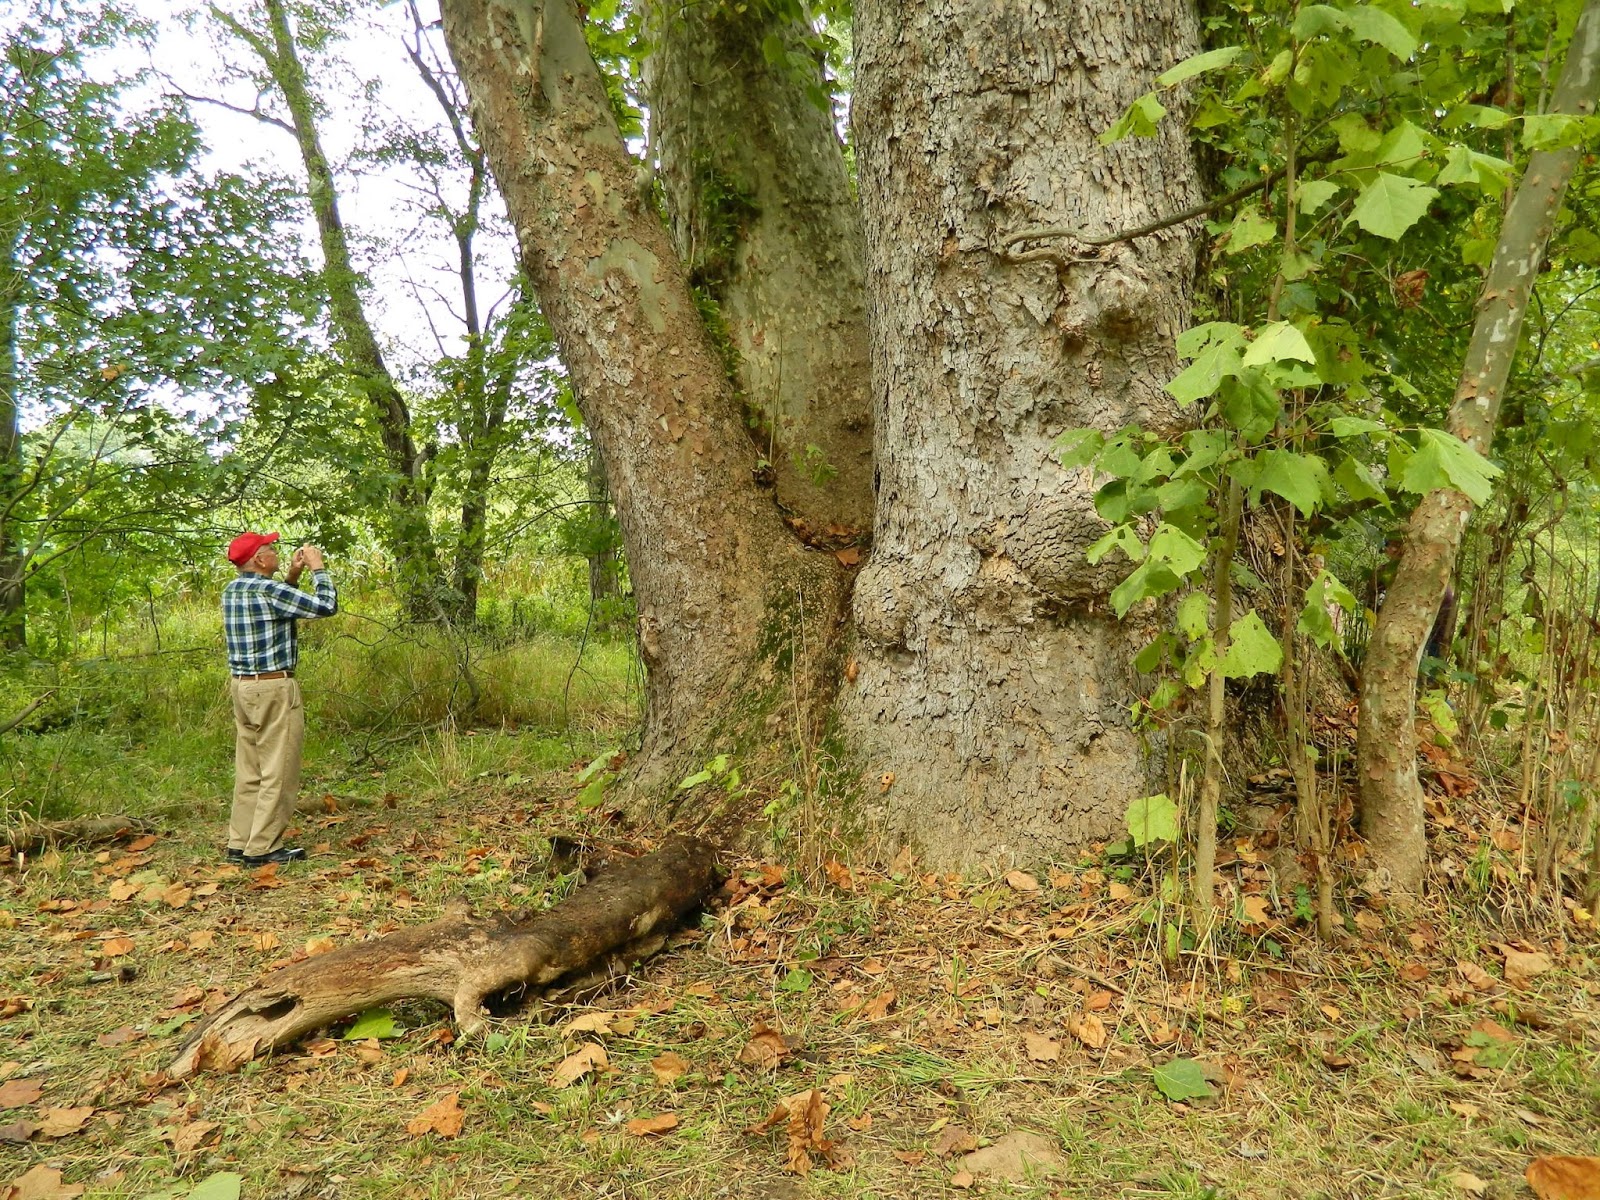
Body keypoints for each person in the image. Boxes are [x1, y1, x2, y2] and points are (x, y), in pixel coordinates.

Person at [221, 531, 338, 866]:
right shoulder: (269, 591)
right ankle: (264, 848)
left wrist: (292, 575)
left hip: (243, 688)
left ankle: (239, 842)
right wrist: (318, 569)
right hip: (273, 688)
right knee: (279, 770)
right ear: (259, 559)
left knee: (251, 769)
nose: (275, 552)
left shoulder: (233, 591)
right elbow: (325, 607)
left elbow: (280, 606)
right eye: (270, 549)